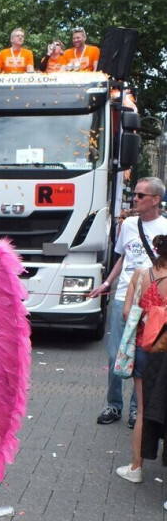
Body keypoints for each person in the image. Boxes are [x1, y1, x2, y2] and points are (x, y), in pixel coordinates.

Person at [90, 178, 167, 427]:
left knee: (143, 356)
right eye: (135, 194)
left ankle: (137, 409)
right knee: (116, 355)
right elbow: (123, 257)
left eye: (141, 195)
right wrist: (107, 283)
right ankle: (114, 405)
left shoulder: (165, 227)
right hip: (123, 295)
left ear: (155, 200)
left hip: (152, 302)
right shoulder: (128, 225)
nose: (135, 198)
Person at [116, 234, 167, 483]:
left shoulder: (141, 274)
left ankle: (136, 467)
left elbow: (127, 313)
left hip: (144, 349)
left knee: (143, 407)